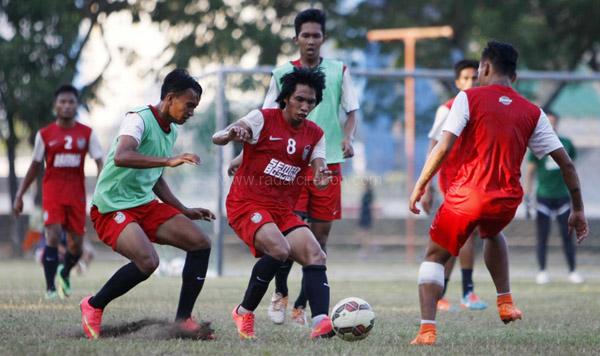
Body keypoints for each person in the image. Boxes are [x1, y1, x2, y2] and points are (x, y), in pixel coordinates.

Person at [408, 40, 589, 345]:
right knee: (492, 233)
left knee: (433, 257)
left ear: (486, 67)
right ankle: (505, 300)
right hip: (505, 200)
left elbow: (444, 145)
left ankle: (427, 330)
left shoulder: (467, 98)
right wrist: (578, 209)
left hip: (467, 195)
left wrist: (420, 184)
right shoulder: (533, 112)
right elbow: (567, 165)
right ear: (514, 77)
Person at [229, 8, 359, 326]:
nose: (311, 41)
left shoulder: (338, 71)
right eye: (306, 35)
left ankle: (308, 311)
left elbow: (352, 110)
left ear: (323, 38)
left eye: (317, 35)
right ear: (297, 38)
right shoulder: (282, 74)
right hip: (288, 170)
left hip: (325, 163)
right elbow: (260, 117)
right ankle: (281, 293)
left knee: (318, 242)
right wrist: (240, 152)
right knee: (283, 241)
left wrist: (347, 138)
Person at [79, 69, 215, 340]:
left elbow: (156, 179)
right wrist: (168, 160)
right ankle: (93, 305)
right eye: (189, 105)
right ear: (170, 98)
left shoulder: (170, 132)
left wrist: (183, 210)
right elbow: (122, 156)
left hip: (144, 204)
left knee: (200, 243)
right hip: (112, 206)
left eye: (195, 107)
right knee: (148, 261)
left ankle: (183, 320)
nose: (191, 112)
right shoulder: (137, 119)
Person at [214, 67, 335, 340]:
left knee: (316, 254)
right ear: (285, 98)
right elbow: (220, 137)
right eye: (299, 99)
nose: (305, 106)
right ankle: (245, 313)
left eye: (311, 102)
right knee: (280, 249)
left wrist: (322, 179)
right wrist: (233, 132)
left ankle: (321, 322)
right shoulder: (261, 118)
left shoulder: (315, 134)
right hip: (246, 203)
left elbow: (319, 171)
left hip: (281, 210)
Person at [13, 85, 104, 300]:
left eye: (71, 102)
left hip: (76, 194)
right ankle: (50, 288)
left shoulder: (87, 133)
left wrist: (103, 188)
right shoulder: (44, 134)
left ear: (76, 105)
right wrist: (19, 195)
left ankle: (65, 272)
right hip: (52, 191)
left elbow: (101, 162)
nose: (66, 105)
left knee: (77, 246)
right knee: (52, 236)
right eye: (62, 102)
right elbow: (35, 166)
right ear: (55, 106)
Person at [421, 59, 487, 311]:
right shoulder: (448, 109)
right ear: (458, 82)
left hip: (476, 181)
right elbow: (433, 145)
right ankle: (467, 293)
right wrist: (426, 186)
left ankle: (445, 293)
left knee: (454, 238)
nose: (471, 82)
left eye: (475, 77)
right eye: (466, 78)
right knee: (464, 235)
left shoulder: (482, 107)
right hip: (452, 182)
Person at [524, 111, 583, 284]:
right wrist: (528, 195)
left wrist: (575, 193)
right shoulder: (537, 144)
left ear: (557, 123)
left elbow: (571, 168)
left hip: (563, 197)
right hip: (544, 197)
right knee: (542, 236)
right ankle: (542, 271)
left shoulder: (566, 143)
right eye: (547, 122)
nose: (551, 125)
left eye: (553, 122)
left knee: (567, 235)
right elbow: (530, 171)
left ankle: (572, 271)